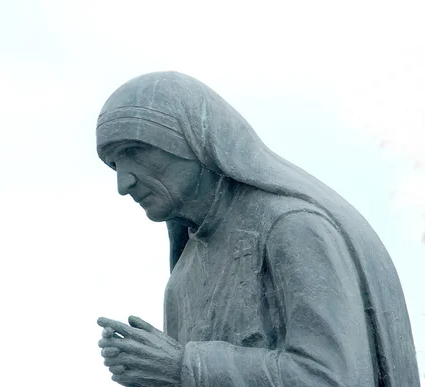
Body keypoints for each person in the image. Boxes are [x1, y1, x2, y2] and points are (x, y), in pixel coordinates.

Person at [95, 72, 419, 387]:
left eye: (134, 152)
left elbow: (333, 378)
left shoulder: (292, 227)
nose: (124, 183)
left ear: (194, 141)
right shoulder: (180, 280)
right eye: (113, 164)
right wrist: (152, 372)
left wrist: (184, 367)